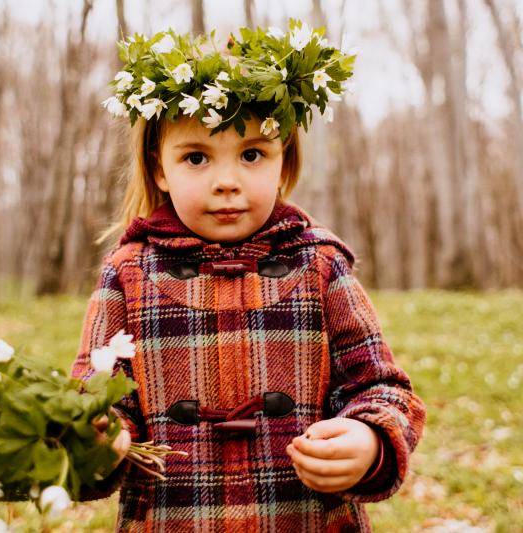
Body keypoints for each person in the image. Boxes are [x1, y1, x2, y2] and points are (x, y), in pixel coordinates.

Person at [71, 23, 426, 532]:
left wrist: (369, 439)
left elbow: (384, 386)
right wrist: (100, 440)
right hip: (173, 520)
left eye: (252, 154)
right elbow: (96, 398)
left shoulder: (320, 265)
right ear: (160, 169)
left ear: (284, 165)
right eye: (196, 157)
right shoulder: (127, 274)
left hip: (306, 520)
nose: (227, 181)